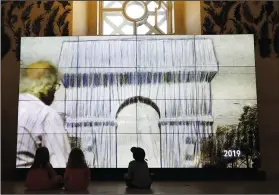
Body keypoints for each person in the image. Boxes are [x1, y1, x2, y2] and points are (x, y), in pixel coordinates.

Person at [17, 61, 71, 168]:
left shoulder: (10, 106)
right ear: (48, 85)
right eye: (56, 85)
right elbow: (60, 165)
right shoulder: (46, 114)